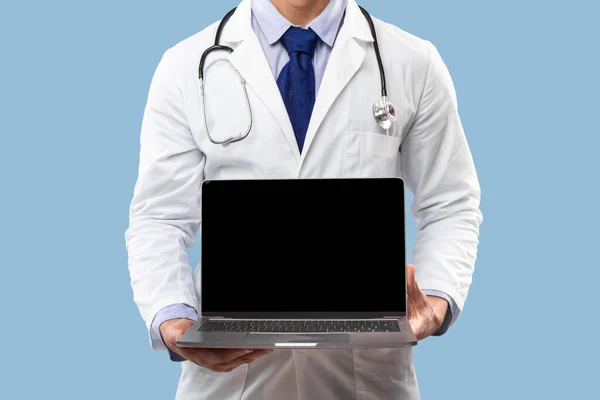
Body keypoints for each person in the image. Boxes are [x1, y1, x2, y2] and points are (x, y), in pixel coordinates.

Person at [125, 0, 483, 398]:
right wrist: (174, 319)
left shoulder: (412, 62)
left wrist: (435, 299)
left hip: (367, 378)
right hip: (233, 379)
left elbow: (450, 203)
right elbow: (160, 218)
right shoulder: (185, 67)